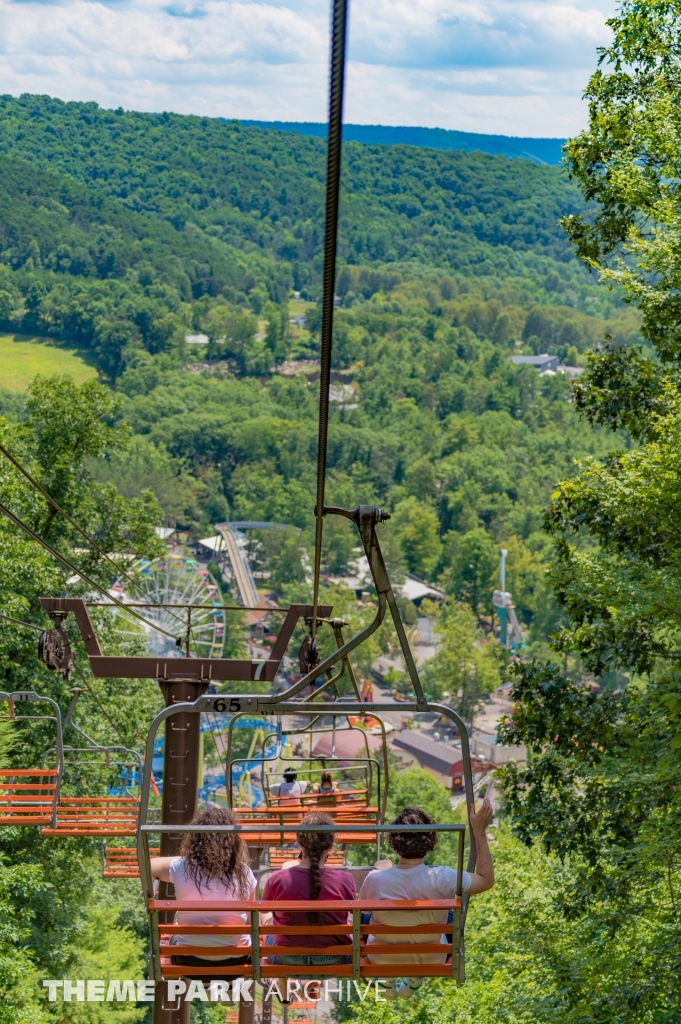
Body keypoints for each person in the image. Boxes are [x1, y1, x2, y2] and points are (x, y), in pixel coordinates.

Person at [359, 799, 494, 1001]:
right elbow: (485, 881)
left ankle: (386, 977)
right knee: (449, 913)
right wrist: (479, 831)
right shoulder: (444, 877)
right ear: (430, 841)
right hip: (432, 957)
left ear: (394, 842)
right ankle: (415, 976)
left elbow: (363, 916)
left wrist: (382, 869)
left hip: (381, 956)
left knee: (366, 916)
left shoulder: (375, 880)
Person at [150, 806, 256, 972]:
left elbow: (149, 866)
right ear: (232, 840)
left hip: (188, 961)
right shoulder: (244, 873)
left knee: (178, 918)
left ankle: (205, 983)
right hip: (236, 961)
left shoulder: (183, 867)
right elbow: (251, 920)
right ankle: (227, 984)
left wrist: (187, 859)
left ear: (195, 838)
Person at [262, 811, 355, 965]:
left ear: (299, 843)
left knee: (268, 919)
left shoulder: (277, 878)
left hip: (287, 959)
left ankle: (282, 987)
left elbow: (264, 910)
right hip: (335, 959)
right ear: (331, 845)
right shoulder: (345, 879)